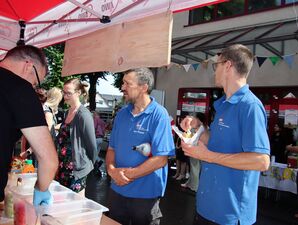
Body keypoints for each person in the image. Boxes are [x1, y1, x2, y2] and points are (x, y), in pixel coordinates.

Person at [181, 44, 270, 225]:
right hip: (206, 207)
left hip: (230, 214)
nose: (215, 71)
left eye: (217, 65)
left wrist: (209, 156)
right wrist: (198, 128)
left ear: (228, 66)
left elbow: (261, 161)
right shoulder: (223, 105)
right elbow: (215, 142)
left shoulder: (250, 106)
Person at [106, 68, 175, 225]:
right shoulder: (122, 114)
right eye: (123, 83)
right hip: (117, 191)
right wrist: (111, 171)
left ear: (144, 87)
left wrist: (128, 174)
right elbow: (112, 149)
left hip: (145, 195)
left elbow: (161, 159)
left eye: (127, 84)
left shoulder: (159, 115)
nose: (122, 87)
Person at [0, 45, 58, 206]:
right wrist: (42, 188)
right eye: (36, 81)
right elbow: (49, 159)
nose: (34, 87)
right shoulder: (20, 89)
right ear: (28, 65)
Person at [55, 78, 97, 196]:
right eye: (64, 92)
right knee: (63, 200)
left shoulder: (83, 114)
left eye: (69, 93)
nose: (65, 96)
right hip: (63, 166)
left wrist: (87, 165)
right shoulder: (67, 111)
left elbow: (92, 145)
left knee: (76, 203)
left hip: (77, 168)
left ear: (78, 93)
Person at [181, 113, 208, 192]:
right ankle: (191, 183)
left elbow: (192, 138)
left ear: (198, 119)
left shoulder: (200, 128)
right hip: (197, 150)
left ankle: (195, 186)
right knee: (194, 168)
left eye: (195, 118)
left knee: (195, 169)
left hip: (197, 150)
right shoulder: (203, 127)